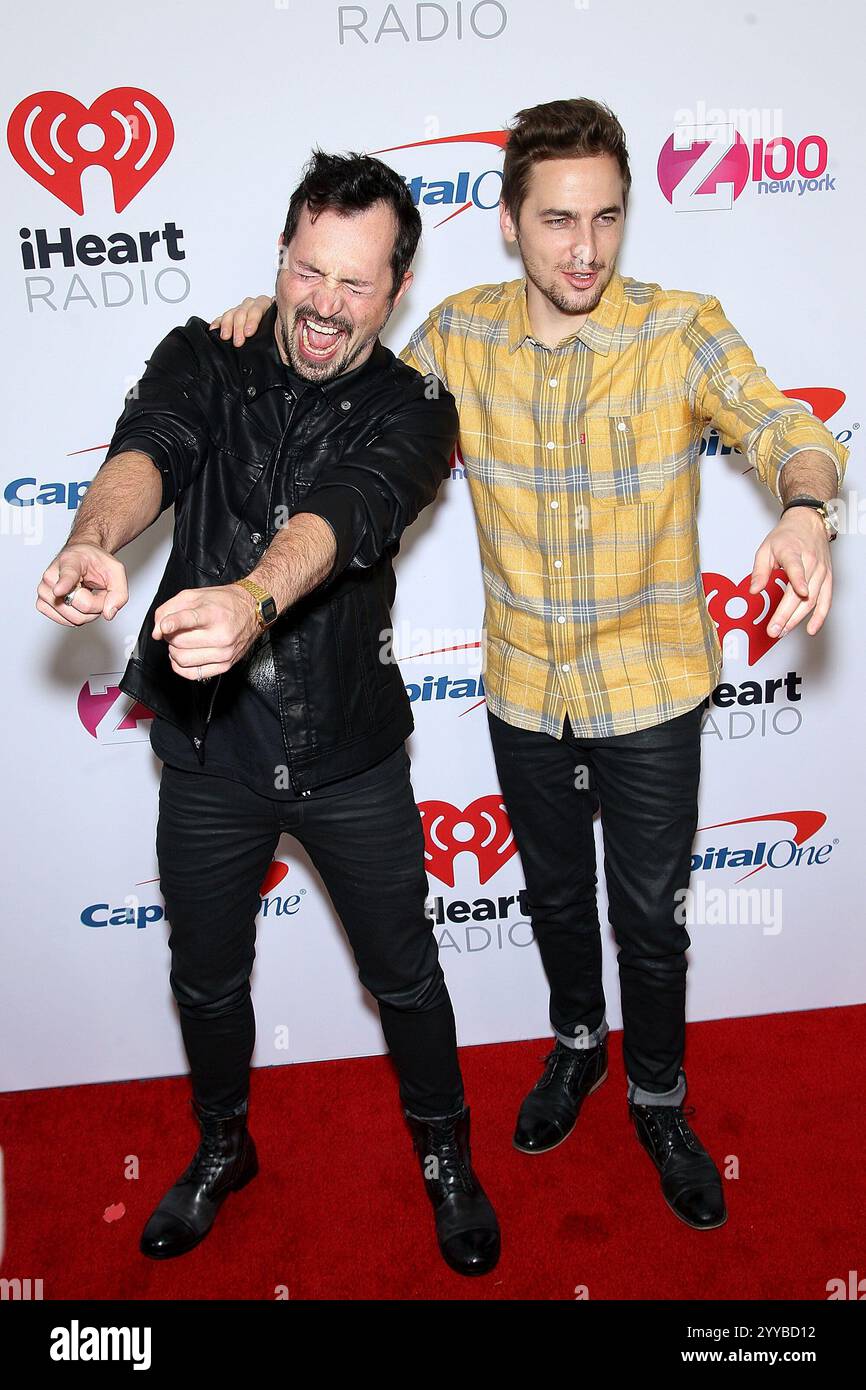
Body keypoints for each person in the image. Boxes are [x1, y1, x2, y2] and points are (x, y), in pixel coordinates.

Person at [213, 98, 848, 1232]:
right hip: (522, 691)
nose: (585, 250)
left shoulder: (679, 326)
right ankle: (574, 1047)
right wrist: (278, 318)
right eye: (556, 221)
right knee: (554, 895)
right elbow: (350, 401)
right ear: (506, 221)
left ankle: (657, 1095)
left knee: (647, 915)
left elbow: (781, 424)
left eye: (605, 218)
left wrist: (803, 511)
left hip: (651, 688)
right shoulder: (458, 334)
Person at [35, 150, 500, 1278]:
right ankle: (221, 1147)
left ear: (396, 289)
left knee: (404, 974)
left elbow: (346, 513)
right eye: (307, 270)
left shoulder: (420, 406)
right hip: (208, 749)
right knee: (205, 974)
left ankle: (444, 1155)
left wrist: (250, 599)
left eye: (354, 283)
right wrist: (96, 538)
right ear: (281, 255)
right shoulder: (208, 350)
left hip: (349, 750)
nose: (323, 304)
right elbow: (151, 448)